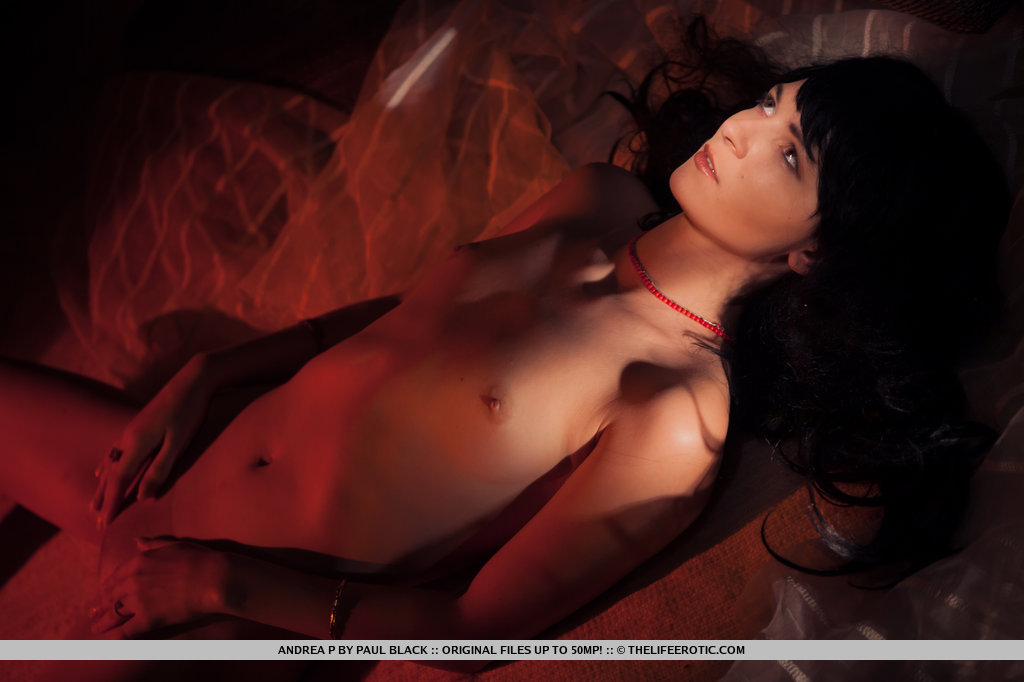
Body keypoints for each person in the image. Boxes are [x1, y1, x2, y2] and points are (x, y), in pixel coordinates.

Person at [0, 19, 1009, 659]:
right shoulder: (595, 199)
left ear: (817, 254)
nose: (740, 131)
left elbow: (472, 632)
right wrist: (209, 371)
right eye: (768, 104)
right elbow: (403, 316)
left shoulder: (674, 409)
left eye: (787, 156)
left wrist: (218, 585)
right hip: (162, 464)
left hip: (212, 615)